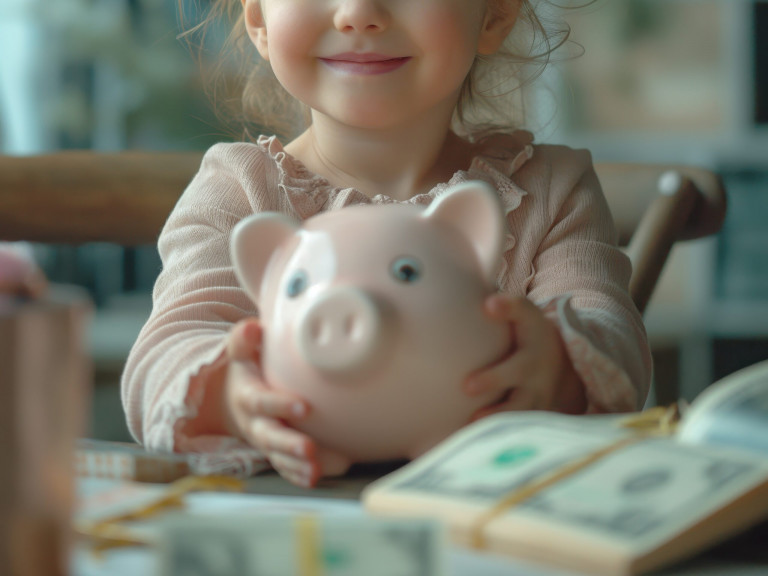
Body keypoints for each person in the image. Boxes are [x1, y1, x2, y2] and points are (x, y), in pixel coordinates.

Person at [122, 0, 652, 487]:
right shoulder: (237, 192)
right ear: (259, 19)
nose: (358, 13)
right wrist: (232, 402)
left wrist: (553, 369)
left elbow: (613, 340)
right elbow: (162, 357)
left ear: (493, 13)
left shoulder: (550, 190)